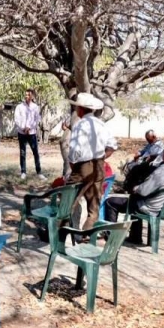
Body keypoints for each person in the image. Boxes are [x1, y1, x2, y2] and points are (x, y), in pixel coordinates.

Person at [104, 138, 164, 243]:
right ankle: (135, 237)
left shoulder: (163, 170)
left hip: (153, 207)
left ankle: (110, 238)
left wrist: (135, 188)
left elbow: (143, 191)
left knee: (112, 202)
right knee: (135, 200)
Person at [66, 92, 112, 230]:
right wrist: (101, 158)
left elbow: (74, 151)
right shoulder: (101, 124)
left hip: (83, 166)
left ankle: (58, 233)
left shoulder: (80, 125)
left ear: (80, 109)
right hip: (99, 166)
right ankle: (86, 234)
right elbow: (112, 145)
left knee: (68, 201)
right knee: (94, 205)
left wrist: (74, 165)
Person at [15, 88, 44, 180]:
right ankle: (23, 172)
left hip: (32, 133)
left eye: (28, 95)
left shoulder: (35, 107)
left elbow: (37, 119)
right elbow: (17, 119)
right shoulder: (19, 107)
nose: (26, 96)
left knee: (35, 152)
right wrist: (23, 128)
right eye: (26, 94)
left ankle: (39, 172)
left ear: (32, 96)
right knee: (22, 152)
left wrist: (29, 127)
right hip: (22, 133)